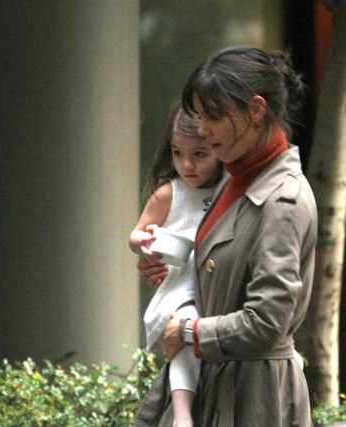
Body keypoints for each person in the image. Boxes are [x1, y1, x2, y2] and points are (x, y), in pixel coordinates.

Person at [133, 46, 317, 426]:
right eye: (200, 116)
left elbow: (266, 323)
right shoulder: (232, 180)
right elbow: (223, 273)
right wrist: (174, 270)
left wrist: (189, 331)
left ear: (256, 110)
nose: (202, 130)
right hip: (215, 381)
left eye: (214, 116)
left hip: (255, 396)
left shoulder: (282, 199)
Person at [129, 105, 222, 427]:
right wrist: (144, 244)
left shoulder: (228, 190)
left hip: (213, 290)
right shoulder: (169, 193)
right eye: (177, 153)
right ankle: (182, 414)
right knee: (186, 330)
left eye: (199, 154)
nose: (187, 165)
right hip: (180, 288)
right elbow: (136, 234)